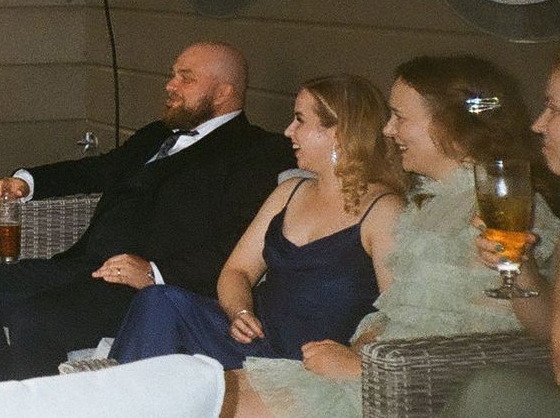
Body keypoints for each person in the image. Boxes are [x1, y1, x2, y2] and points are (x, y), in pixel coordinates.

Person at [230, 55, 560, 418]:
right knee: (204, 392)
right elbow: (397, 310)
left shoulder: (508, 205)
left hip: (407, 403)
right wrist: (356, 349)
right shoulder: (426, 203)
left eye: (400, 117)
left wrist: (365, 369)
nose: (387, 130)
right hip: (376, 373)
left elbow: (526, 340)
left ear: (447, 124)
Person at [0, 41, 294, 382]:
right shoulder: (157, 134)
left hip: (143, 291)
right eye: (173, 75)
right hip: (86, 265)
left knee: (33, 319)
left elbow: (236, 244)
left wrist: (155, 273)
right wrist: (26, 182)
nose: (170, 86)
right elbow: (101, 169)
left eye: (186, 79)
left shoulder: (257, 153)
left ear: (223, 93)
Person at [363, 53, 560, 418]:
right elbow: (549, 333)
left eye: (555, 110)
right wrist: (521, 267)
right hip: (414, 375)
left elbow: (554, 357)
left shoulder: (502, 198)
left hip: (428, 383)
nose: (538, 123)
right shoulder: (432, 201)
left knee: (493, 399)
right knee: (491, 401)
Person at [112, 74, 405, 369]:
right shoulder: (290, 192)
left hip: (307, 360)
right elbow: (236, 271)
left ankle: (121, 392)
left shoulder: (384, 211)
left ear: (339, 132)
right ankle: (117, 391)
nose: (289, 131)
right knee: (159, 300)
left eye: (300, 120)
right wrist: (240, 312)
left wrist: (353, 358)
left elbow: (398, 314)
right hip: (253, 340)